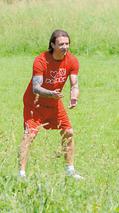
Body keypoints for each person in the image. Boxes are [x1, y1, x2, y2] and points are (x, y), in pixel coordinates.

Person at [19, 29, 83, 179]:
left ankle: (70, 170)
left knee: (69, 132)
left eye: (67, 44)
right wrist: (51, 93)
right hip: (34, 104)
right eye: (61, 44)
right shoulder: (41, 60)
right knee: (29, 135)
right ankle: (21, 173)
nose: (65, 47)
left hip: (54, 103)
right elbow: (36, 87)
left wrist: (74, 97)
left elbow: (74, 84)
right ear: (53, 44)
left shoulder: (72, 61)